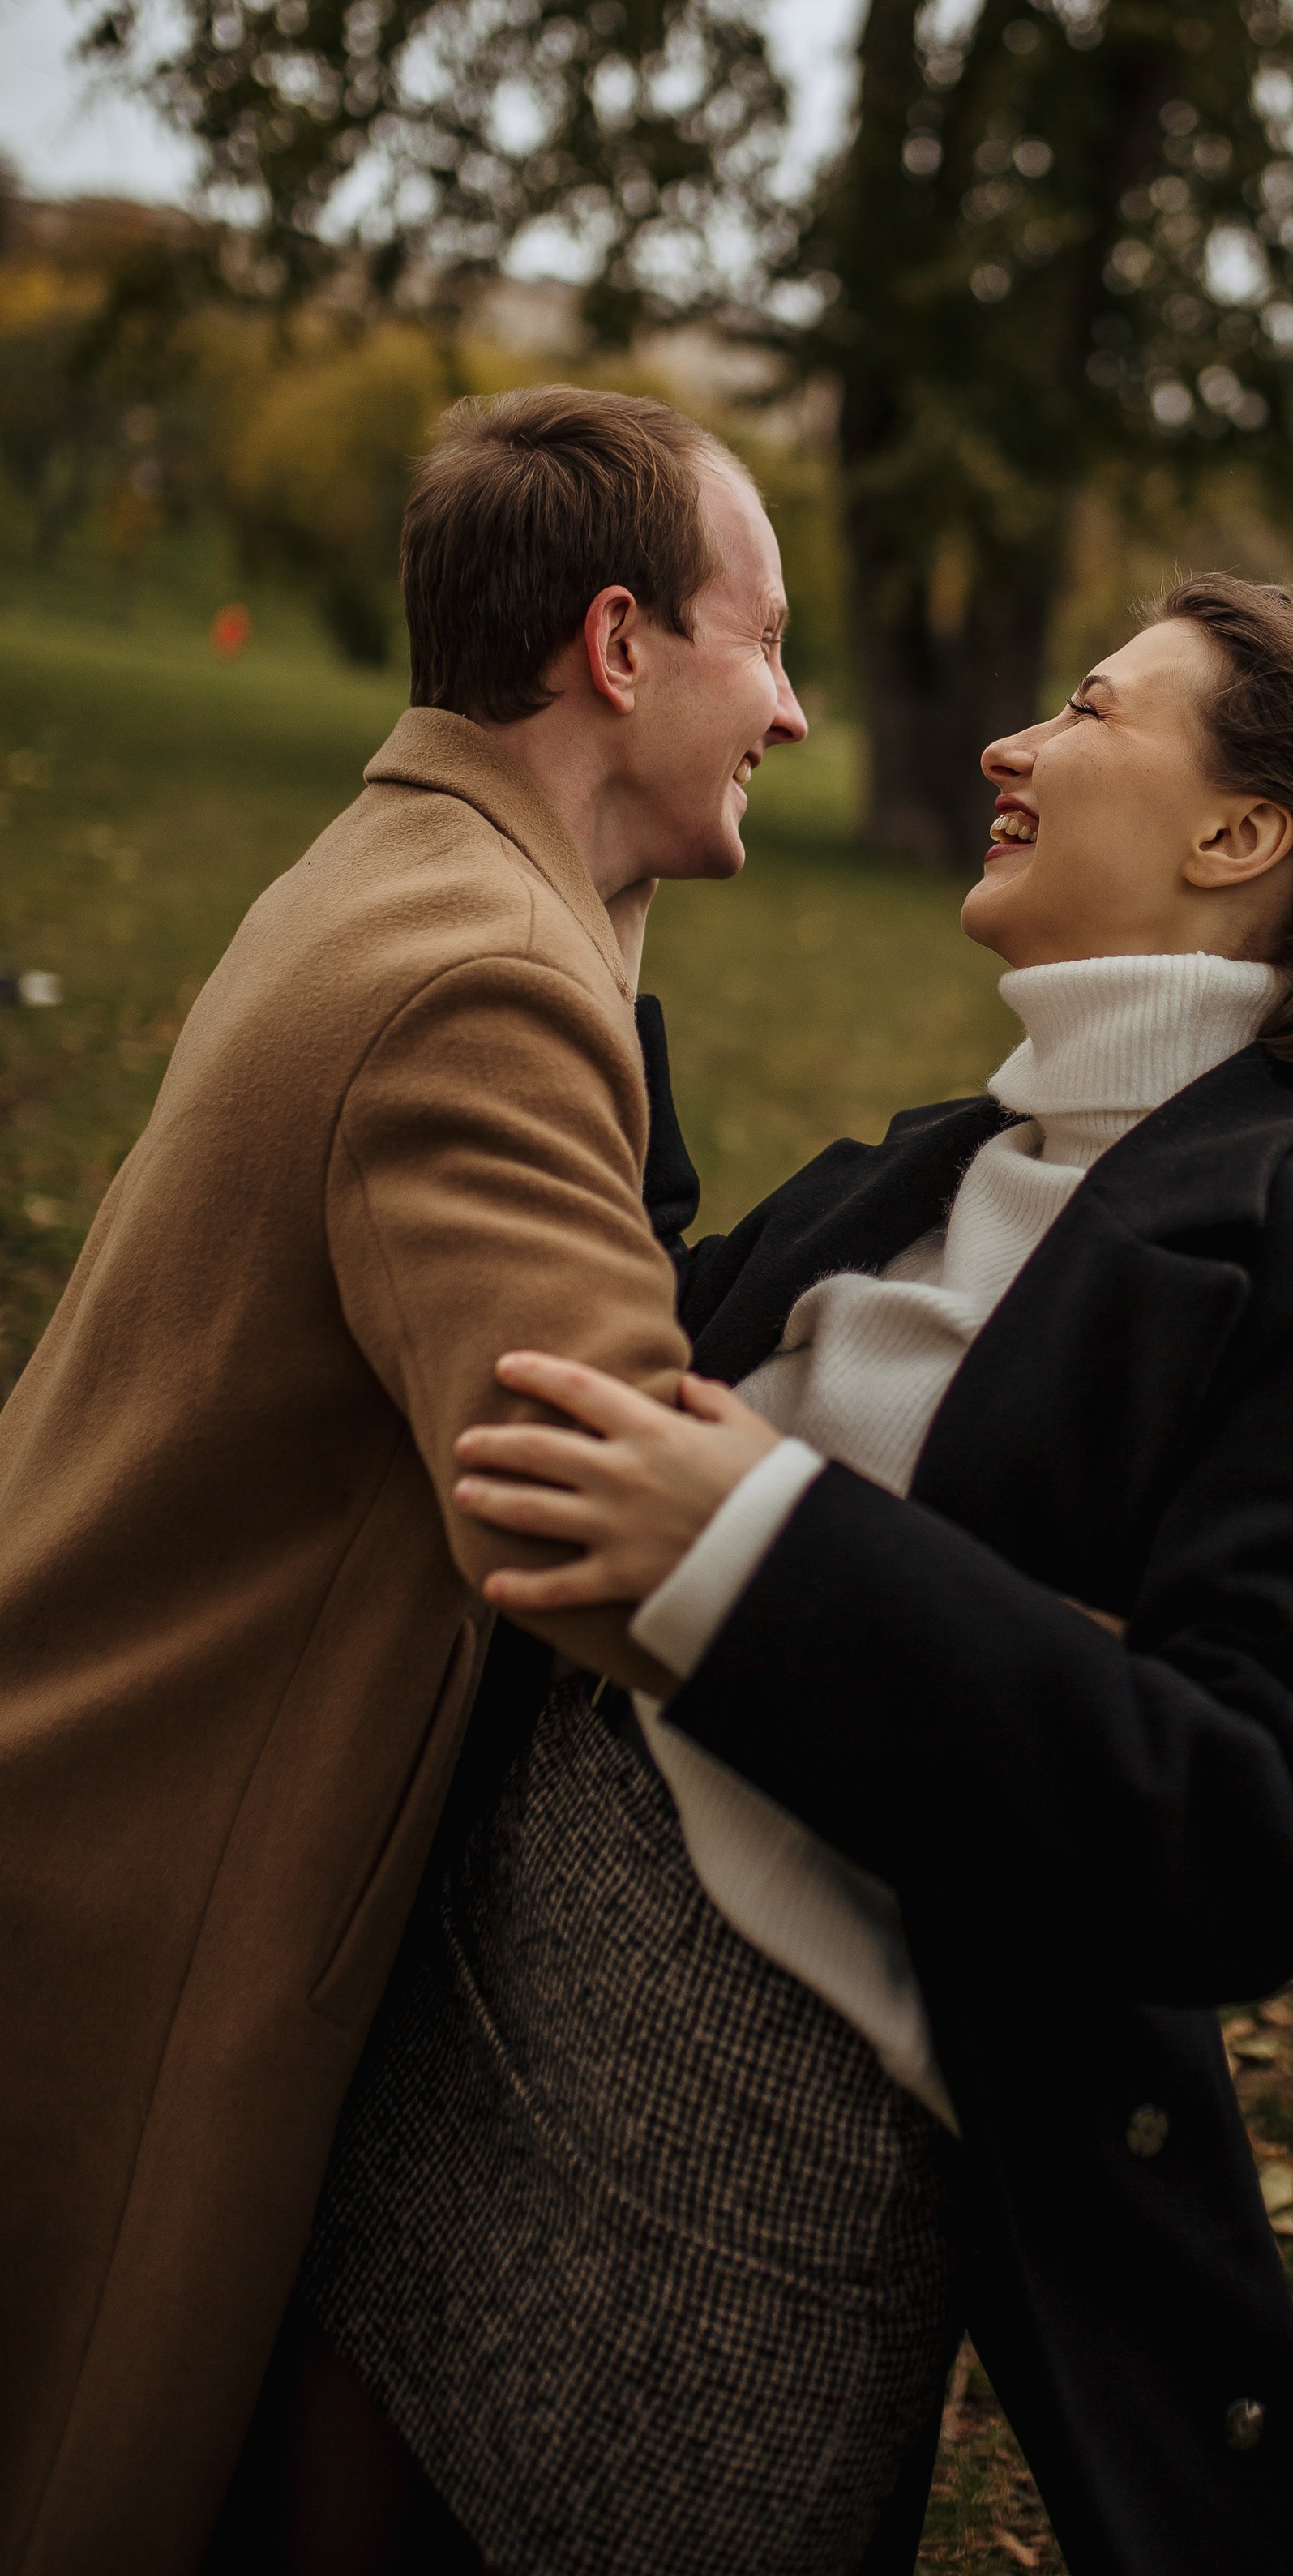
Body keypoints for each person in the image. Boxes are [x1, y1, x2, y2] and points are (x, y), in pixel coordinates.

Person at [311, 576, 1293, 2576]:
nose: (1006, 747)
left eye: (1090, 711)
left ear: (1236, 836)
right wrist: (580, 918)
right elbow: (669, 1326)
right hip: (455, 2027)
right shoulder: (968, 1148)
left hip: (717, 2230)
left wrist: (755, 1561)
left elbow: (1250, 1823)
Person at [0, 385, 805, 2576]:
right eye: (766, 642)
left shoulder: (418, 861)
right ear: (620, 645)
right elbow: (595, 1537)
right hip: (146, 1895)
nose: (798, 711)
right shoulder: (485, 975)